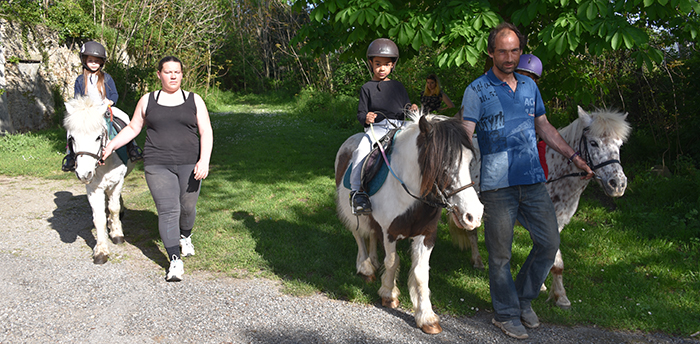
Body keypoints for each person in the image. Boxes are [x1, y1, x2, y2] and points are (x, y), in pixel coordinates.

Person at [460, 23, 594, 339]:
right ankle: (505, 314)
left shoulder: (530, 87)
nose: (509, 57)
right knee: (501, 254)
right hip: (496, 184)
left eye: (515, 50)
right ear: (491, 52)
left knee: (549, 242)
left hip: (533, 179)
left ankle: (522, 298)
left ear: (521, 52)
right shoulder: (476, 90)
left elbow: (544, 127)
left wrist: (575, 157)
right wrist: (463, 177)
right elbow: (465, 133)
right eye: (502, 51)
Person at [102, 56, 213, 282]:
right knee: (168, 210)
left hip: (189, 163)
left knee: (188, 207)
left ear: (182, 75)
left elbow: (206, 131)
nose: (173, 76)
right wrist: (111, 144)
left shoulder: (194, 100)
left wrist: (204, 160)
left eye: (177, 72)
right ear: (159, 75)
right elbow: (134, 127)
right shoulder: (148, 100)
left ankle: (185, 236)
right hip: (157, 163)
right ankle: (174, 260)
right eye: (168, 72)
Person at [350, 38, 418, 215]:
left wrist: (412, 109)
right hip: (377, 129)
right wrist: (367, 117)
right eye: (378, 64)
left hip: (400, 126)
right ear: (370, 63)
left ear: (392, 66)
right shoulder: (367, 88)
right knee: (361, 150)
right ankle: (357, 192)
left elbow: (406, 107)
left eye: (386, 65)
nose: (382, 68)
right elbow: (360, 113)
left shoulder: (398, 86)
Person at [62, 41, 142, 172]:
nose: (94, 63)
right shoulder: (80, 80)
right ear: (84, 61)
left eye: (97, 61)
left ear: (101, 63)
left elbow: (114, 94)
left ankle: (132, 147)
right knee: (71, 130)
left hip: (104, 107)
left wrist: (110, 102)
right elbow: (78, 97)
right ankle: (71, 155)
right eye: (90, 60)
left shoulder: (106, 78)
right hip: (88, 111)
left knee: (125, 117)